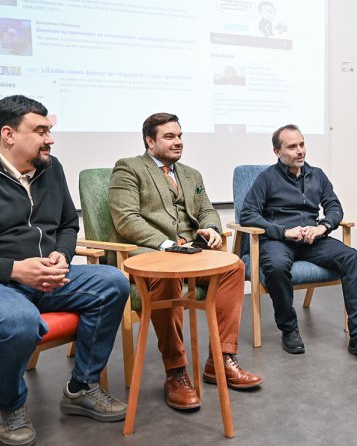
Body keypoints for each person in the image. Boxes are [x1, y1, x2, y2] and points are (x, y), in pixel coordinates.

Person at [0, 95, 130, 446]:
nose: (50, 139)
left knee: (112, 282)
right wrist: (14, 269)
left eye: (49, 130)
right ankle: (10, 406)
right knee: (18, 320)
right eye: (41, 131)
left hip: (44, 276)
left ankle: (81, 387)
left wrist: (62, 256)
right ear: (8, 134)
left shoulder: (51, 168)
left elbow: (67, 224)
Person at [108, 112, 262, 411]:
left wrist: (211, 228)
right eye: (169, 137)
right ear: (150, 141)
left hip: (191, 252)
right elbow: (126, 219)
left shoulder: (191, 174)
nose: (178, 142)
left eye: (179, 136)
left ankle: (221, 360)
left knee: (233, 267)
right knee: (167, 277)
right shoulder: (128, 168)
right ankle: (176, 372)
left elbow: (207, 210)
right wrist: (167, 245)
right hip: (151, 254)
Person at [239, 124, 357, 366]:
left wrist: (322, 227)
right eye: (292, 147)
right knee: (276, 267)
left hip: (312, 239)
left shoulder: (317, 175)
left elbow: (334, 207)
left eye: (302, 144)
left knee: (352, 257)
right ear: (277, 151)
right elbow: (248, 214)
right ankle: (289, 329)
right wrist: (284, 231)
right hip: (280, 240)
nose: (300, 151)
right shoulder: (267, 178)